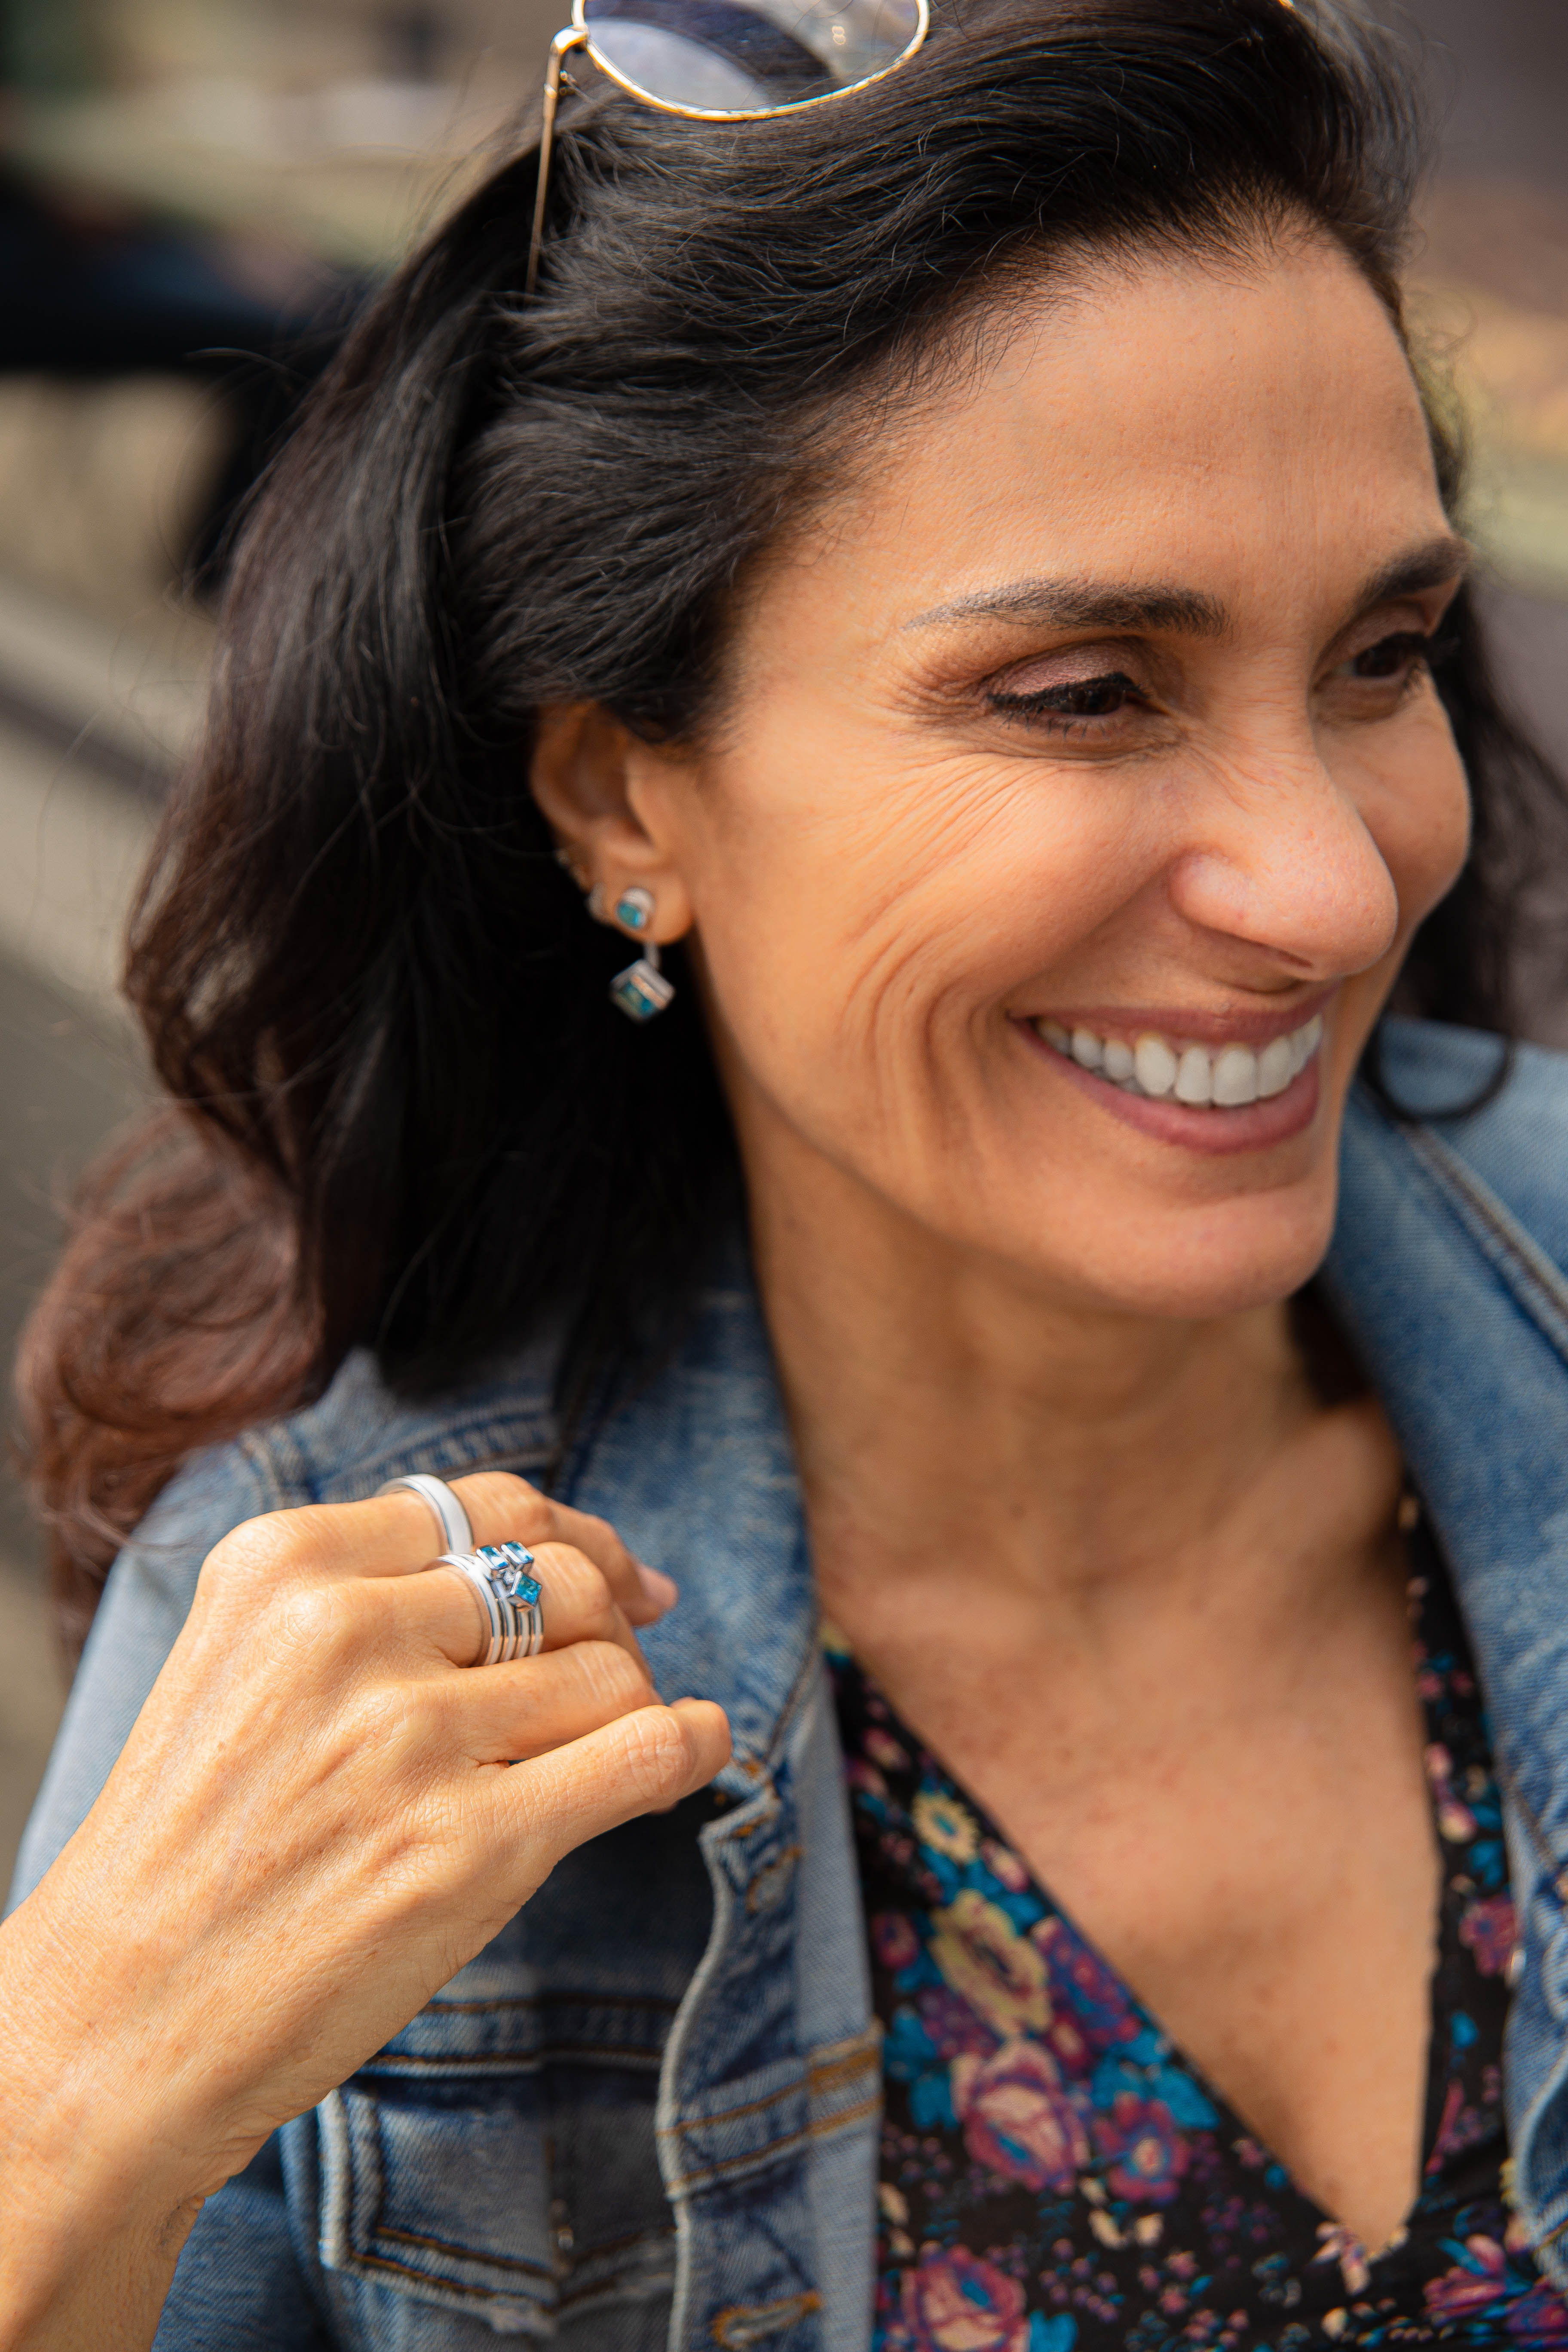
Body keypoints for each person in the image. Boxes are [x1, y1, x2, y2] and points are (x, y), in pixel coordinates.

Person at [6, 1, 1568, 2345]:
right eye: (1084, 692)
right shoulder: (355, 1670)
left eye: (1383, 651)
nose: (1339, 889)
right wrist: (57, 2123)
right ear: (627, 798)